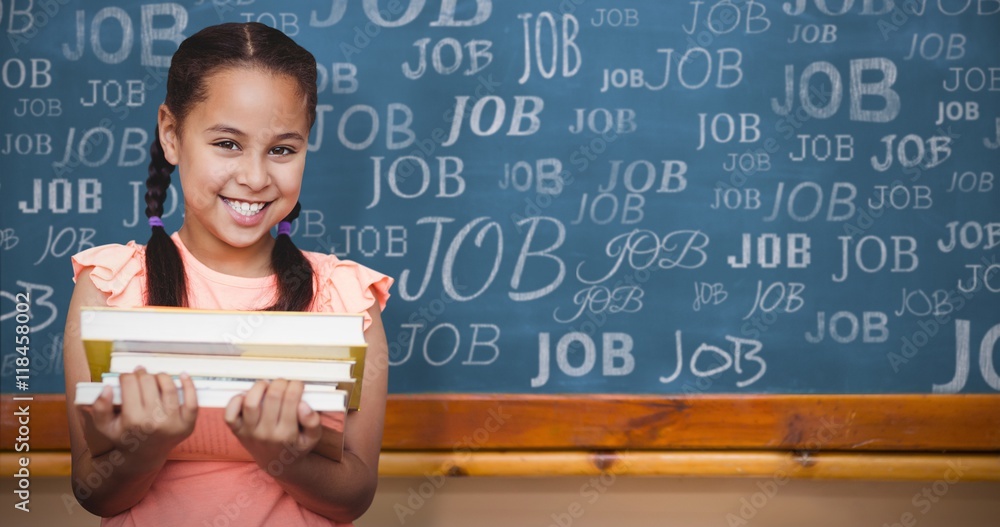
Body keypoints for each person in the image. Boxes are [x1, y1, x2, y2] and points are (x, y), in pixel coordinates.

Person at [63, 22, 393, 526]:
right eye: (227, 144)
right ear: (171, 136)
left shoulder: (346, 300)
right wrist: (146, 446)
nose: (256, 177)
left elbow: (354, 496)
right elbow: (93, 492)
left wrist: (280, 454)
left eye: (282, 149)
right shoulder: (111, 287)